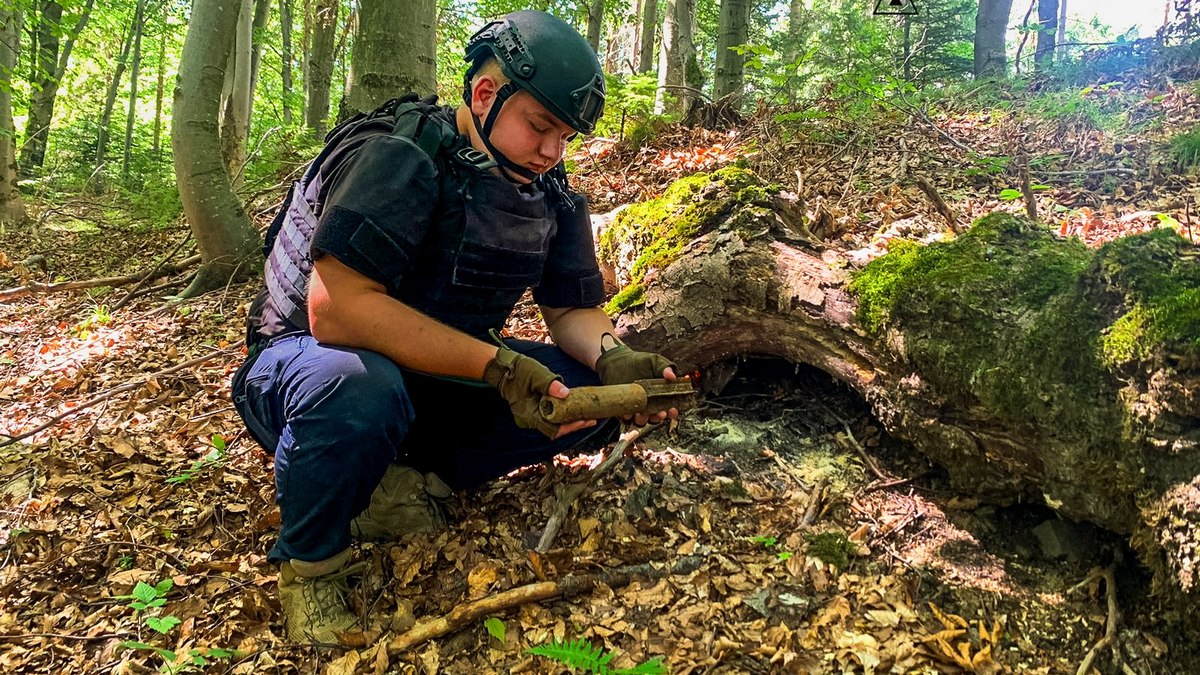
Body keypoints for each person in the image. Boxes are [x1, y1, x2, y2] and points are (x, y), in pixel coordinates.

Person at [231, 10, 679, 644]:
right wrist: (497, 367)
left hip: (429, 374)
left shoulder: (548, 192)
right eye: (540, 127)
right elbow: (337, 310)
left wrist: (614, 359)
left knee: (581, 393)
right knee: (361, 389)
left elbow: (569, 311)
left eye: (565, 135)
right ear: (486, 93)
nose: (553, 151)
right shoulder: (397, 154)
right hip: (304, 367)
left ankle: (406, 489)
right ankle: (312, 566)